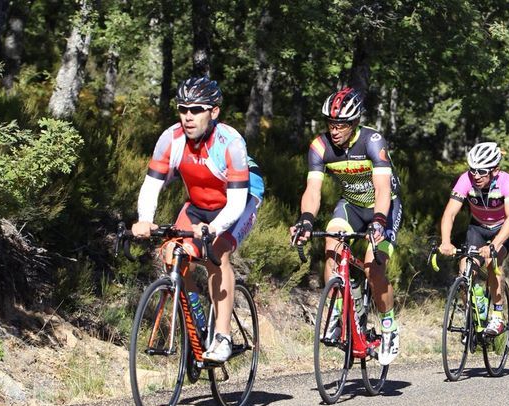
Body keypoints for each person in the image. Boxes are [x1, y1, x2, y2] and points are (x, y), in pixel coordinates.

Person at [132, 76, 264, 363]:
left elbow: (236, 203)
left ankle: (222, 336)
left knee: (217, 252)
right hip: (199, 205)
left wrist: (215, 228)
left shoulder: (231, 143)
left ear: (214, 112)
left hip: (239, 200)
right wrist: (145, 219)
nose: (188, 117)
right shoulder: (171, 139)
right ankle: (197, 324)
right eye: (183, 109)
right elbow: (152, 184)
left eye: (196, 110)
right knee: (171, 253)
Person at [290, 87, 402, 365]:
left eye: (341, 125)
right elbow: (313, 189)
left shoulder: (372, 141)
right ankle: (340, 308)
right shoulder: (319, 146)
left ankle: (389, 326)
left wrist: (378, 221)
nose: (335, 130)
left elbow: (382, 190)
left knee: (372, 267)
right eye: (331, 124)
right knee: (331, 245)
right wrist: (306, 219)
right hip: (351, 206)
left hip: (383, 207)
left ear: (354, 124)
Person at [438, 142, 509, 336]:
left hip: (503, 229)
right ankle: (474, 313)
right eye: (472, 170)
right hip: (478, 228)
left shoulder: (507, 182)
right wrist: (445, 241)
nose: (475, 175)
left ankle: (498, 316)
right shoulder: (465, 180)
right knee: (464, 268)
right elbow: (449, 213)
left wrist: (494, 245)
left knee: (492, 262)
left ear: (495, 170)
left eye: (481, 171)